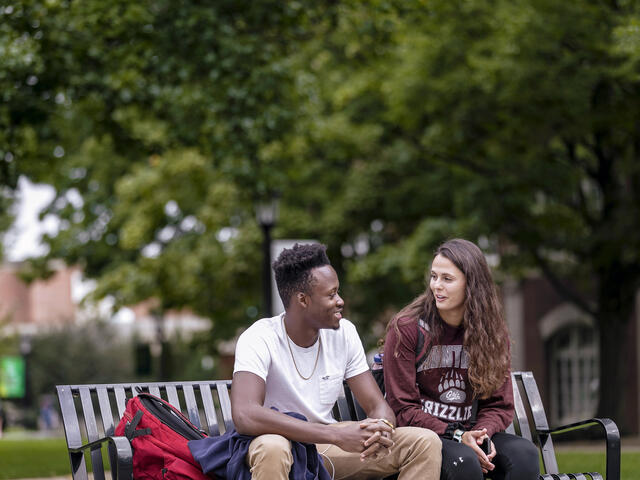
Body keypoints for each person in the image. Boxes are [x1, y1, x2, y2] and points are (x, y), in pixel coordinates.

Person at [231, 243, 441, 479]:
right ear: (303, 299)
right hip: (279, 442)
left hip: (327, 446)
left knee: (424, 441)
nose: (340, 301)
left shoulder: (344, 333)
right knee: (273, 447)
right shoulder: (259, 337)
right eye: (331, 295)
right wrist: (335, 435)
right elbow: (245, 415)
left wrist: (381, 428)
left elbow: (376, 405)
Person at [383, 238, 539, 480]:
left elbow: (498, 405)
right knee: (463, 461)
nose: (436, 286)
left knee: (524, 454)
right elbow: (403, 408)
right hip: (425, 437)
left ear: (472, 285)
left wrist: (479, 434)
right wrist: (456, 435)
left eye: (447, 279)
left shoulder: (492, 334)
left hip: (470, 430)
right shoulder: (408, 328)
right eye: (434, 277)